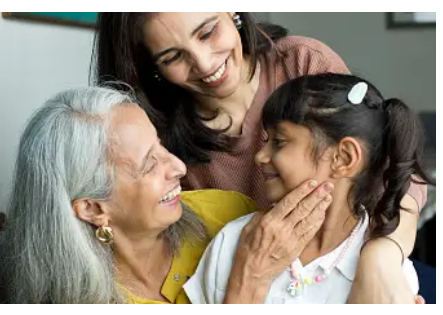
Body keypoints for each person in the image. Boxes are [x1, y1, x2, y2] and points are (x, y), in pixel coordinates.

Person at [94, 12, 428, 303]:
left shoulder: (301, 62)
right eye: (172, 58)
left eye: (208, 31)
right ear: (151, 67)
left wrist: (381, 257)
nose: (205, 63)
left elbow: (393, 172)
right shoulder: (158, 137)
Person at [0, 86, 331, 304]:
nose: (179, 168)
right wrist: (249, 281)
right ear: (92, 208)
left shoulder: (227, 212)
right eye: (149, 164)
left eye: (160, 144)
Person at [184, 73, 434, 303]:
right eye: (266, 140)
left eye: (279, 142)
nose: (260, 156)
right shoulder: (233, 241)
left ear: (344, 158)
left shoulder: (389, 277)